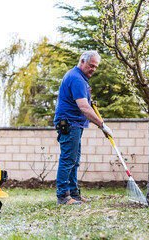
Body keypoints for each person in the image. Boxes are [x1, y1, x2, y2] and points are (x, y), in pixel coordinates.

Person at [54, 50, 113, 205]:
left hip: (75, 124)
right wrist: (102, 125)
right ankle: (63, 196)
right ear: (82, 61)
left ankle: (74, 193)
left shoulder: (80, 78)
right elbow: (85, 108)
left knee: (74, 160)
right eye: (91, 65)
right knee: (68, 160)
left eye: (95, 67)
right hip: (69, 123)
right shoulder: (76, 78)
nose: (93, 69)